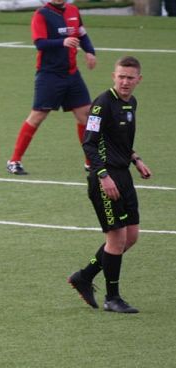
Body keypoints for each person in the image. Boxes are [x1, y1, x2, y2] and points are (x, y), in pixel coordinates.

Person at [67, 56, 151, 314]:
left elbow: (119, 141)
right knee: (116, 240)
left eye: (130, 78)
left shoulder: (131, 103)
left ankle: (84, 276)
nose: (125, 82)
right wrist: (103, 176)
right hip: (105, 178)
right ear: (114, 76)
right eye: (121, 76)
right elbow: (89, 143)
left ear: (138, 80)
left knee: (130, 237)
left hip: (123, 175)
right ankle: (112, 298)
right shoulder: (102, 104)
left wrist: (136, 159)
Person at [5, 0, 97, 175]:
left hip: (72, 74)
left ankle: (90, 161)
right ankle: (14, 161)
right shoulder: (41, 14)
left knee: (86, 115)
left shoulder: (73, 11)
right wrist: (62, 42)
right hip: (49, 75)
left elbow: (82, 35)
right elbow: (40, 43)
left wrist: (90, 52)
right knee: (37, 116)